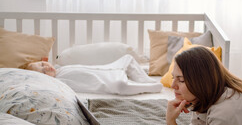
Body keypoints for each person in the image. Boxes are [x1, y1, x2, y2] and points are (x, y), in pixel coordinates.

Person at [23, 55, 163, 95]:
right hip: (109, 81)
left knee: (128, 58)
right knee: (121, 86)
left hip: (111, 69)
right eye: (42, 72)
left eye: (42, 65)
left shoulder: (62, 67)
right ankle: (151, 87)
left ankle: (147, 80)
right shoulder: (59, 82)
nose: (46, 68)